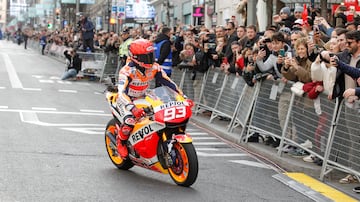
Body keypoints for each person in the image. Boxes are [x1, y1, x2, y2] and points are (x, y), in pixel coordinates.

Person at [116, 39, 185, 158]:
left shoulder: (155, 67)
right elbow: (121, 92)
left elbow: (168, 83)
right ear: (135, 57)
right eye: (146, 57)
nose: (150, 59)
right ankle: (121, 142)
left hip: (143, 96)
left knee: (159, 114)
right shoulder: (126, 71)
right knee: (129, 121)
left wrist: (182, 97)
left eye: (151, 55)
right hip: (127, 100)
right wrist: (132, 109)